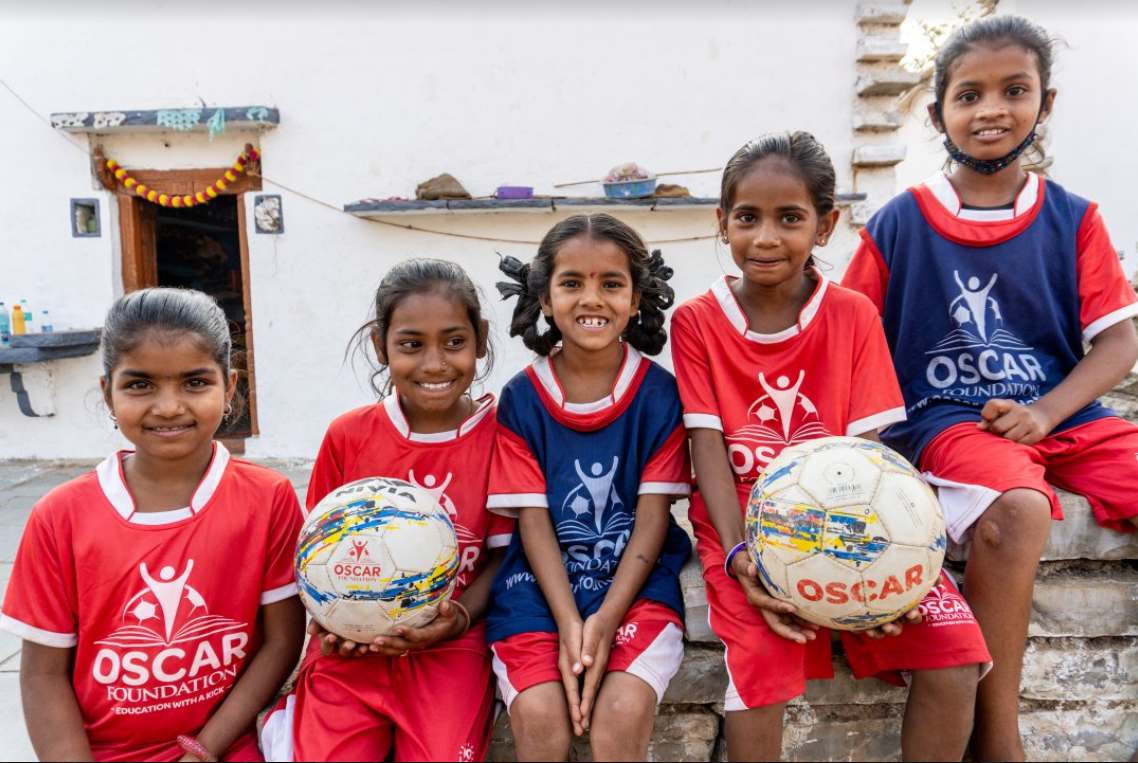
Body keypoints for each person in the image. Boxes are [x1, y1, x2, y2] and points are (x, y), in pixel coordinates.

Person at [841, 16, 1138, 760]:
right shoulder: (900, 223)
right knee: (1015, 508)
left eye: (1014, 90)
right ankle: (995, 739)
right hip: (949, 418)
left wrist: (1046, 411)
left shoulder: (1073, 218)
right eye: (968, 95)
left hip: (1060, 410)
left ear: (1046, 101)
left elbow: (1120, 341)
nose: (991, 110)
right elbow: (851, 337)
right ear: (937, 112)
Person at [672, 133, 991, 761]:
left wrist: (876, 578)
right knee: (762, 667)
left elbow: (872, 460)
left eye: (790, 218)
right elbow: (707, 448)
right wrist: (740, 554)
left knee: (954, 653)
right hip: (745, 522)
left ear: (825, 226)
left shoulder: (852, 315)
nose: (765, 238)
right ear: (722, 222)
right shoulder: (697, 321)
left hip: (854, 519)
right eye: (747, 217)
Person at [1, 288, 306, 762]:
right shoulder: (61, 516)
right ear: (108, 393)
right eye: (140, 385)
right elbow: (42, 675)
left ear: (230, 387)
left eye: (195, 382)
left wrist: (203, 750)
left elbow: (282, 643)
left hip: (228, 743)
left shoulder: (268, 500)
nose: (168, 406)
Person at [259, 259, 512, 762]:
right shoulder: (349, 436)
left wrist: (458, 620)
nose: (434, 363)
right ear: (382, 345)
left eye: (454, 342)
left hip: (450, 646)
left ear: (481, 340)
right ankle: (285, 722)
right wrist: (333, 625)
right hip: (352, 651)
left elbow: (504, 558)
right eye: (411, 344)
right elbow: (317, 559)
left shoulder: (503, 435)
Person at [487, 214, 691, 761]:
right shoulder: (522, 399)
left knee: (620, 716)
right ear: (545, 299)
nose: (591, 298)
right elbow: (532, 524)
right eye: (572, 282)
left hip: (635, 588)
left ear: (636, 297)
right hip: (536, 589)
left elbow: (651, 521)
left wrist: (602, 622)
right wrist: (571, 623)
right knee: (540, 715)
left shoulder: (659, 395)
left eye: (611, 283)